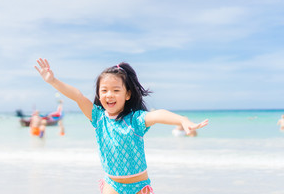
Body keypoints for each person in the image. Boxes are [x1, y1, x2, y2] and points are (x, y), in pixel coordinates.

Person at [34, 58, 208, 194]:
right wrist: (53, 81)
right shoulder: (98, 118)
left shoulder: (135, 120)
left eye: (116, 90)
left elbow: (157, 115)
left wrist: (182, 120)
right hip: (113, 185)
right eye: (104, 90)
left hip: (139, 186)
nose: (110, 95)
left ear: (127, 94)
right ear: (99, 94)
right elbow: (78, 96)